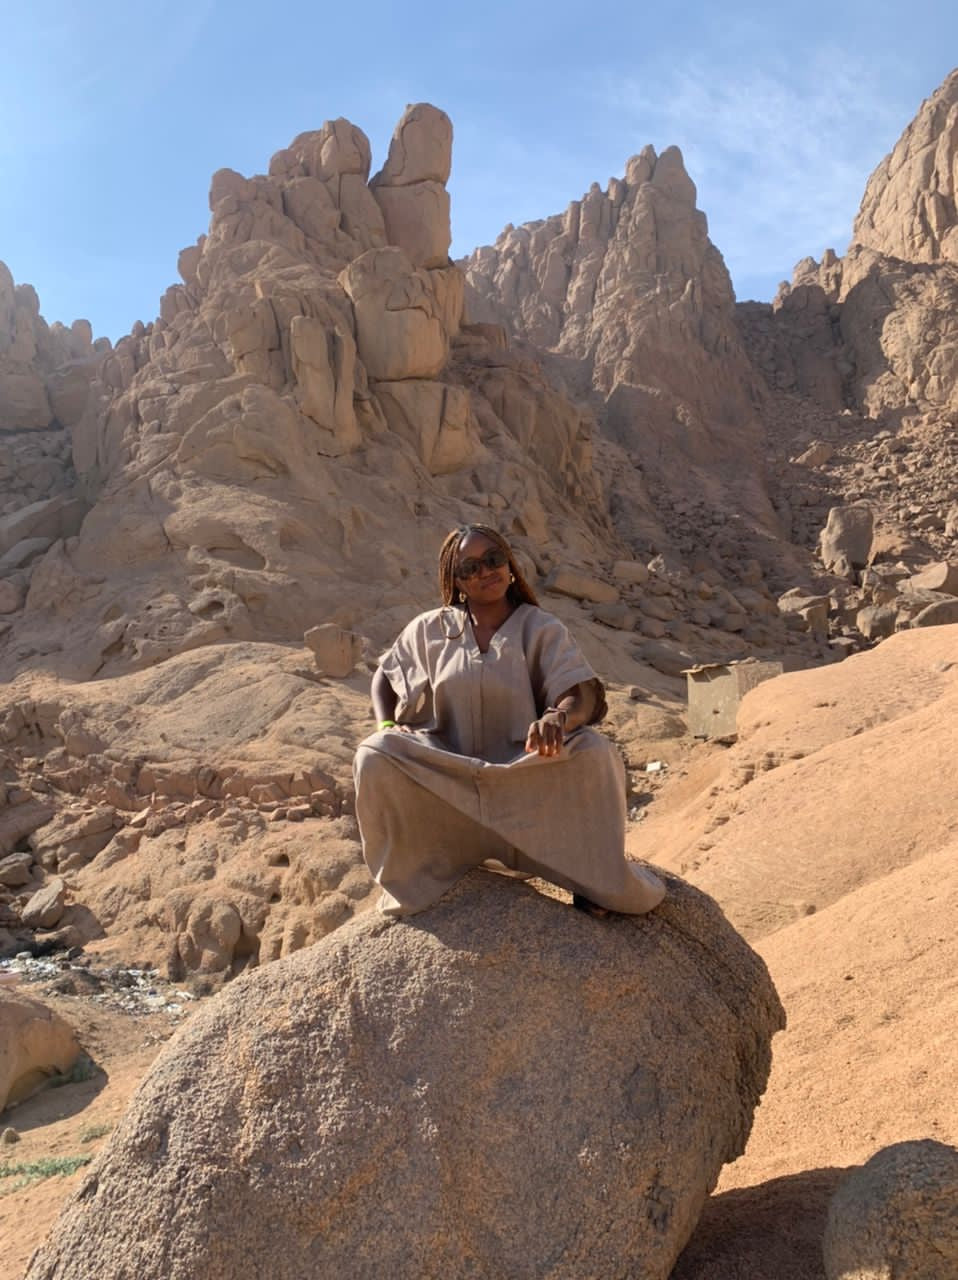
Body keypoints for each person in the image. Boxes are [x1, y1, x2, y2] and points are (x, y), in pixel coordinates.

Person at [353, 524, 666, 918]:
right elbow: (386, 674)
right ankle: (419, 876)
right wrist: (386, 726)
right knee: (373, 754)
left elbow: (580, 692)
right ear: (456, 580)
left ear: (510, 565)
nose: (486, 571)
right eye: (470, 567)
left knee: (594, 752)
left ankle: (595, 880)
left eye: (493, 559)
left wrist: (557, 718)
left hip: (525, 775)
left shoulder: (540, 627)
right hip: (449, 777)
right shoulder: (430, 628)